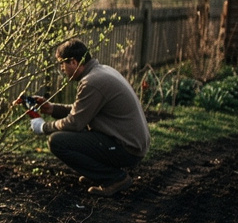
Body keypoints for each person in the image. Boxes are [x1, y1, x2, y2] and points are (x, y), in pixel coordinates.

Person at [18, 38, 150, 196]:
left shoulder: (92, 82)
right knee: (75, 136)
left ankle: (115, 178)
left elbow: (75, 123)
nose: (61, 68)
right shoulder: (101, 71)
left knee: (58, 141)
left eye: (62, 64)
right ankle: (100, 173)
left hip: (127, 149)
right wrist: (52, 108)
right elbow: (81, 112)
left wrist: (42, 127)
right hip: (130, 142)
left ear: (73, 62)